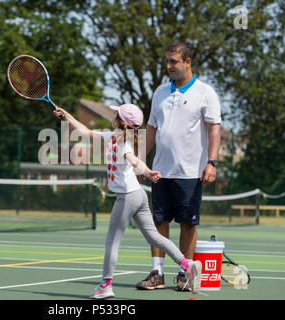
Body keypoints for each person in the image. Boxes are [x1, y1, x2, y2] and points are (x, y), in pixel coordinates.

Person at [53, 103, 202, 299]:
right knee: (154, 237)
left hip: (127, 197)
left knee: (111, 242)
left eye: (115, 113)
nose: (112, 114)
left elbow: (133, 160)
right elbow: (87, 132)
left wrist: (147, 171)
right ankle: (187, 265)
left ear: (119, 120)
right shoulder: (112, 137)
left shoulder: (124, 142)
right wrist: (68, 116)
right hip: (138, 195)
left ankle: (106, 285)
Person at [136, 41, 221, 292]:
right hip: (160, 171)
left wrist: (212, 162)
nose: (169, 66)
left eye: (173, 61)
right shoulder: (160, 92)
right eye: (167, 61)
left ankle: (185, 274)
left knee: (187, 223)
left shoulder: (206, 92)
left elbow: (214, 128)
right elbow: (151, 128)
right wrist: (140, 162)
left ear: (187, 62)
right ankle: (157, 273)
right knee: (158, 223)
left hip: (190, 173)